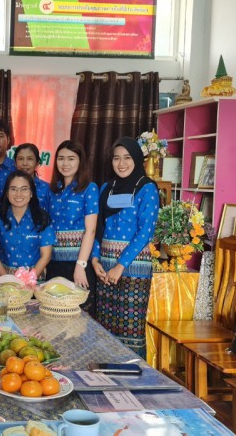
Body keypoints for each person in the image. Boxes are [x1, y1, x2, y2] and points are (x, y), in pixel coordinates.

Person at [91, 137, 159, 357]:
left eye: (127, 158)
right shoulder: (106, 188)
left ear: (137, 159)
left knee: (130, 328)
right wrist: (95, 259)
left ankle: (133, 377)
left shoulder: (147, 188)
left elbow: (145, 232)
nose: (121, 164)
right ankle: (105, 375)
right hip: (105, 267)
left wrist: (120, 266)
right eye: (116, 158)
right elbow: (98, 227)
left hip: (133, 267)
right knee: (105, 327)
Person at [47, 140, 100, 317]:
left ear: (80, 161)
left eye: (71, 158)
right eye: (61, 158)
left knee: (80, 318)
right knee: (54, 315)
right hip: (54, 264)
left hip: (78, 264)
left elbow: (91, 230)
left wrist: (80, 265)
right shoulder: (52, 190)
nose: (65, 163)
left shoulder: (89, 188)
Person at [0, 171, 55, 278]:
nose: (18, 194)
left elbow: (46, 255)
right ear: (7, 193)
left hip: (34, 280)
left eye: (24, 189)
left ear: (31, 193)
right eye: (13, 189)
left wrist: (29, 279)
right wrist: (7, 280)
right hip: (4, 280)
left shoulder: (42, 218)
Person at [14, 143, 52, 212]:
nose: (25, 163)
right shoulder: (9, 186)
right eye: (20, 159)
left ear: (37, 163)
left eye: (30, 159)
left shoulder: (47, 189)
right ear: (15, 163)